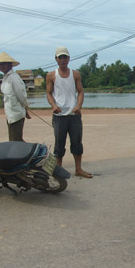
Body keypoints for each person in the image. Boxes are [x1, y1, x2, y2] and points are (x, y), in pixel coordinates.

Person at [46, 46, 92, 178]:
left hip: (74, 115)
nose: (62, 59)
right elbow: (48, 93)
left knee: (77, 142)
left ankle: (78, 169)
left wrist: (79, 106)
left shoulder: (75, 74)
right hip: (59, 115)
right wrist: (53, 105)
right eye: (60, 57)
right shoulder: (51, 75)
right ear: (56, 59)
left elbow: (81, 91)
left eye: (64, 57)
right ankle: (58, 171)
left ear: (69, 58)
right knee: (59, 144)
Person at [0, 52, 30, 141]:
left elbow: (21, 96)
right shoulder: (6, 78)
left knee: (15, 140)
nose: (2, 66)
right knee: (14, 139)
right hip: (10, 114)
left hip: (16, 114)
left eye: (4, 64)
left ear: (9, 64)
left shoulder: (13, 78)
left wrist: (25, 108)